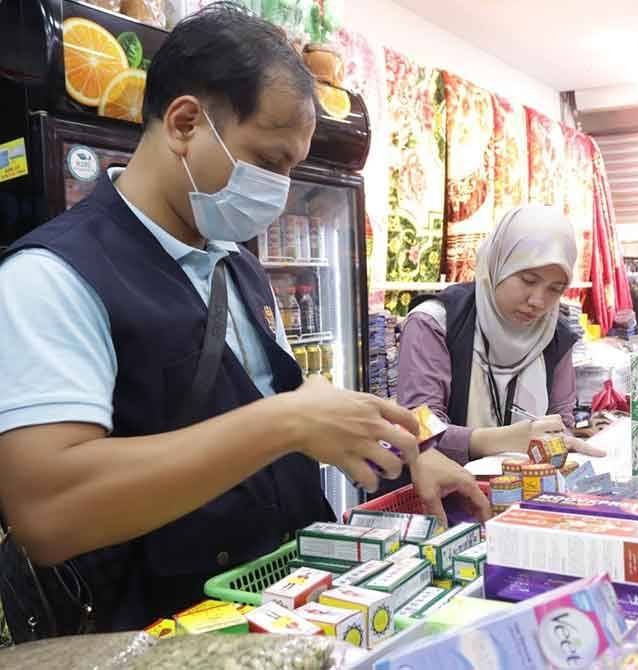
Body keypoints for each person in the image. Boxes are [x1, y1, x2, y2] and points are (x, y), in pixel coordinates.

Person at [0, 3, 482, 634]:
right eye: (270, 161)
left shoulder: (237, 266)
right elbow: (48, 511)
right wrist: (283, 424)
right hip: (161, 633)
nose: (281, 189)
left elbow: (288, 396)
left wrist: (408, 446)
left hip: (280, 610)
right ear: (184, 123)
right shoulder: (50, 278)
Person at [395, 205, 606, 493]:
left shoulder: (556, 337)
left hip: (525, 502)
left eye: (555, 289)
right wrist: (506, 439)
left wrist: (560, 440)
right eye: (528, 280)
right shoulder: (435, 324)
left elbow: (561, 422)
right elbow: (419, 428)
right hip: (444, 501)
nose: (538, 301)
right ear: (498, 263)